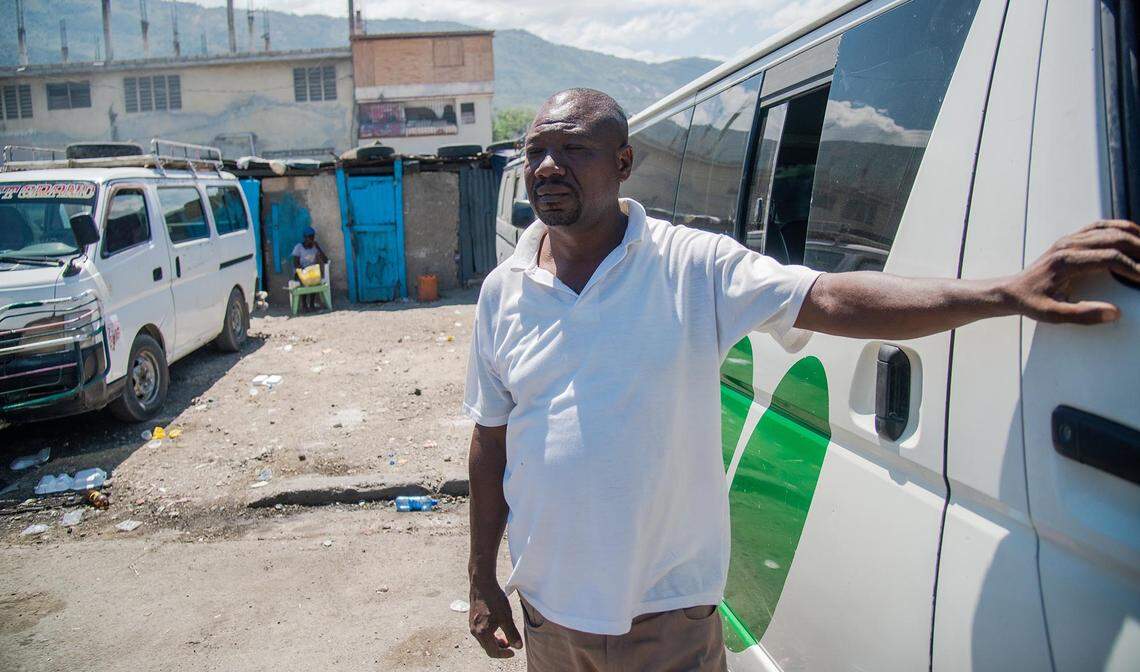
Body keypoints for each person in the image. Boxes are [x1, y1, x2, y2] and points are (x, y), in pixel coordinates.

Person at [463, 88, 1140, 671]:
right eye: (535, 151)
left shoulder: (687, 266)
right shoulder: (504, 292)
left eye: (573, 148)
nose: (548, 166)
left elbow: (832, 297)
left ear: (623, 163)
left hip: (663, 616)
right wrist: (481, 575)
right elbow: (491, 442)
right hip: (548, 611)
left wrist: (1003, 291)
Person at [291, 226, 328, 312]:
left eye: (312, 236)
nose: (311, 239)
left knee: (314, 279)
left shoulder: (315, 247)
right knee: (304, 280)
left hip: (312, 272)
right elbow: (295, 263)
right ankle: (304, 304)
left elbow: (325, 260)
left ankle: (311, 304)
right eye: (309, 237)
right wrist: (304, 270)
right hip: (301, 272)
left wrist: (318, 248)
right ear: (305, 237)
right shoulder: (299, 247)